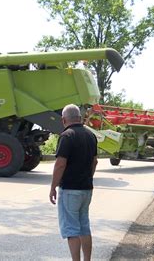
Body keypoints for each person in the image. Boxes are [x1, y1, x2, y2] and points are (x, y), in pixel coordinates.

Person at [49, 104, 98, 261]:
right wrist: (87, 177)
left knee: (71, 230)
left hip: (70, 189)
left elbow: (60, 164)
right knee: (84, 226)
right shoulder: (91, 136)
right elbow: (94, 162)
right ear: (79, 118)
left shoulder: (67, 136)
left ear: (64, 120)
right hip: (86, 189)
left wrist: (53, 187)